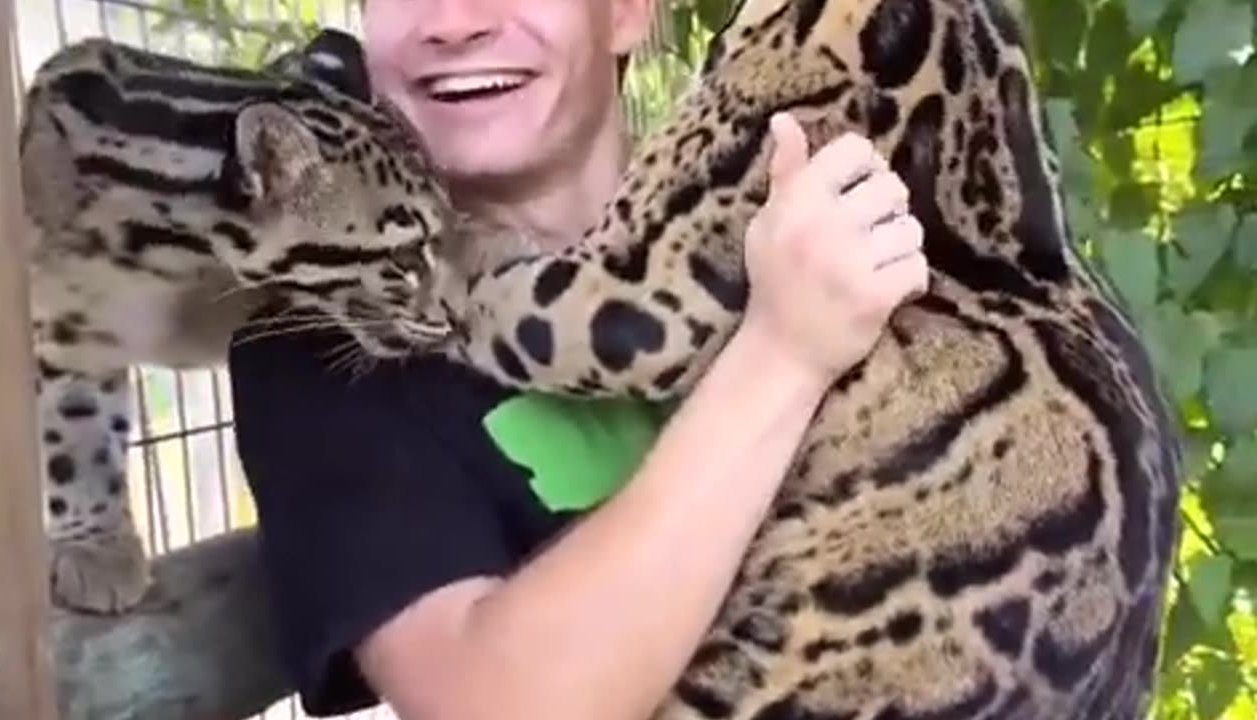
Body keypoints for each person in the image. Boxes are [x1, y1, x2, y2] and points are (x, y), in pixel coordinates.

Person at [228, 0, 929, 718]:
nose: (452, 22)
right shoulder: (332, 349)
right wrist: (782, 358)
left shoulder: (790, 213)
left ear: (625, 12)